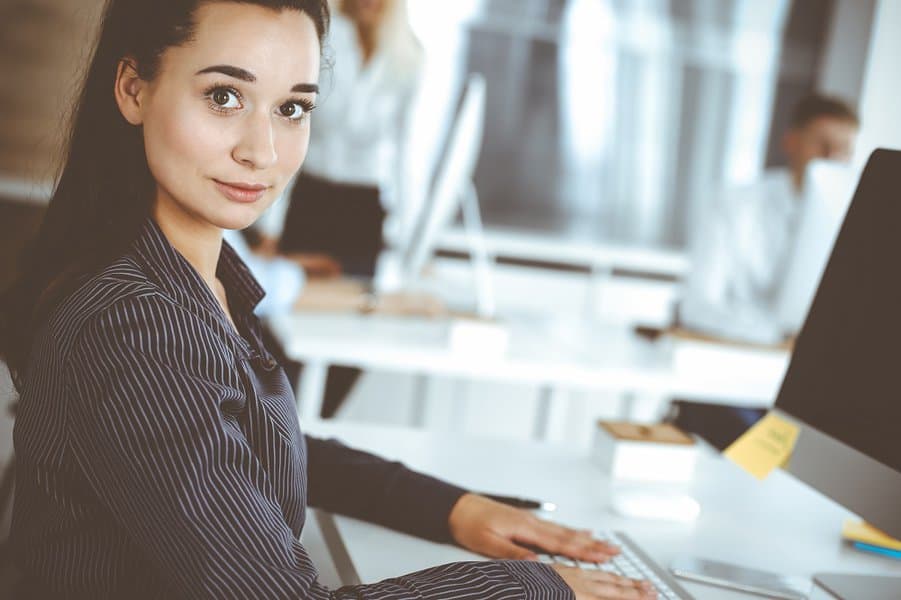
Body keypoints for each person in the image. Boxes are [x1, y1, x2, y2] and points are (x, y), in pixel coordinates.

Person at [0, 1, 656, 598]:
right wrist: (534, 590)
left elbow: (249, 444)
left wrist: (451, 507)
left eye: (292, 108)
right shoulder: (135, 324)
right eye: (223, 96)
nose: (262, 151)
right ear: (133, 88)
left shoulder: (197, 278)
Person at [253, 0, 428, 419]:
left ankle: (313, 427)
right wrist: (268, 228)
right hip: (312, 196)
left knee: (353, 330)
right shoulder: (321, 40)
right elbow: (290, 129)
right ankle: (277, 425)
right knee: (288, 328)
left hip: (364, 208)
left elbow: (406, 151)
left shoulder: (409, 55)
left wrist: (407, 240)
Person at [680, 93, 859, 345]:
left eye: (844, 149)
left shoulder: (855, 221)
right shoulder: (733, 204)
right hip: (737, 353)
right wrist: (776, 334)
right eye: (821, 144)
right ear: (791, 142)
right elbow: (697, 306)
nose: (832, 158)